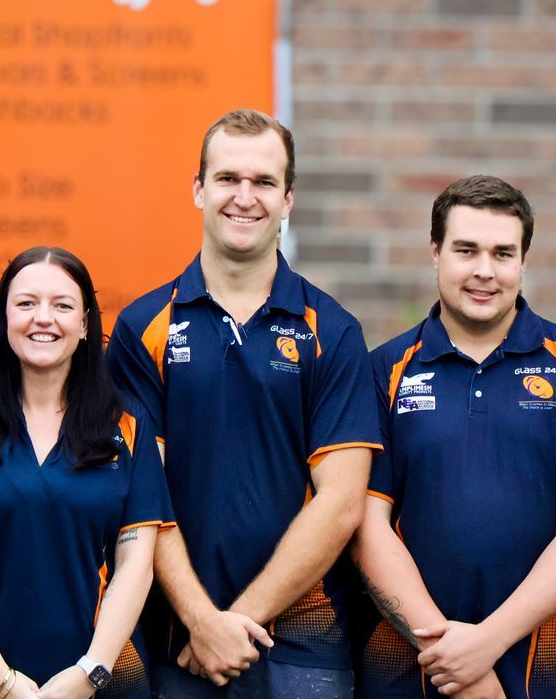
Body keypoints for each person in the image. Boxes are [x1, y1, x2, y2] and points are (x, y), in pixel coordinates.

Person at [108, 109, 380, 699]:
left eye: (263, 182)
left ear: (287, 199)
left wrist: (235, 625)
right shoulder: (141, 328)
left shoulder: (331, 331)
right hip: (172, 638)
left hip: (304, 642)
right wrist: (203, 621)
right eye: (228, 178)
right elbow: (137, 492)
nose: (244, 197)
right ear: (199, 190)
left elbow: (340, 502)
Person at [353, 174, 556, 699]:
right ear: (436, 252)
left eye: (503, 253)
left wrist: (485, 644)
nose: (485, 271)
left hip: (546, 670)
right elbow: (366, 526)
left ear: (523, 261)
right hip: (409, 665)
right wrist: (453, 657)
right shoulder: (383, 371)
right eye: (466, 250)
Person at [0, 247, 173, 699]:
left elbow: (136, 564)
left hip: (106, 675)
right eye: (26, 303)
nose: (43, 318)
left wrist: (89, 674)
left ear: (86, 324)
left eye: (63, 305)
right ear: (4, 318)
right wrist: (0, 679)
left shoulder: (127, 423)